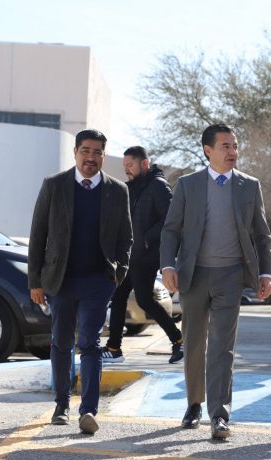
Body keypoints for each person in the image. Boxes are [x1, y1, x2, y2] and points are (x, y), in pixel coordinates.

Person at [160, 123, 271, 440]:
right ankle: (194, 404)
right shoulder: (188, 185)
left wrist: (265, 273)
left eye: (235, 146)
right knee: (194, 344)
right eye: (226, 146)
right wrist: (167, 265)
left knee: (222, 348)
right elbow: (171, 230)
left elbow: (262, 235)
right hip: (194, 275)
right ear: (208, 150)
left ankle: (219, 415)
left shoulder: (249, 186)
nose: (232, 151)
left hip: (231, 276)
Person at [28, 129, 132, 434]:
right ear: (75, 152)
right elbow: (38, 235)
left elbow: (126, 238)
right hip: (60, 280)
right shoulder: (54, 185)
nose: (91, 157)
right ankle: (61, 404)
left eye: (97, 152)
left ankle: (88, 410)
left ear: (103, 156)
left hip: (98, 282)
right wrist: (35, 281)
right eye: (85, 150)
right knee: (61, 342)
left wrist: (118, 274)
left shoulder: (117, 191)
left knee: (90, 343)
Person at [103, 146, 183, 364]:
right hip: (129, 255)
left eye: (130, 165)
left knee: (145, 300)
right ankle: (114, 348)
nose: (126, 169)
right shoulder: (131, 187)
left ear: (144, 163)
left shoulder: (158, 186)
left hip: (147, 256)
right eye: (125, 166)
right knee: (119, 297)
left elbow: (171, 218)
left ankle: (178, 340)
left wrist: (146, 238)